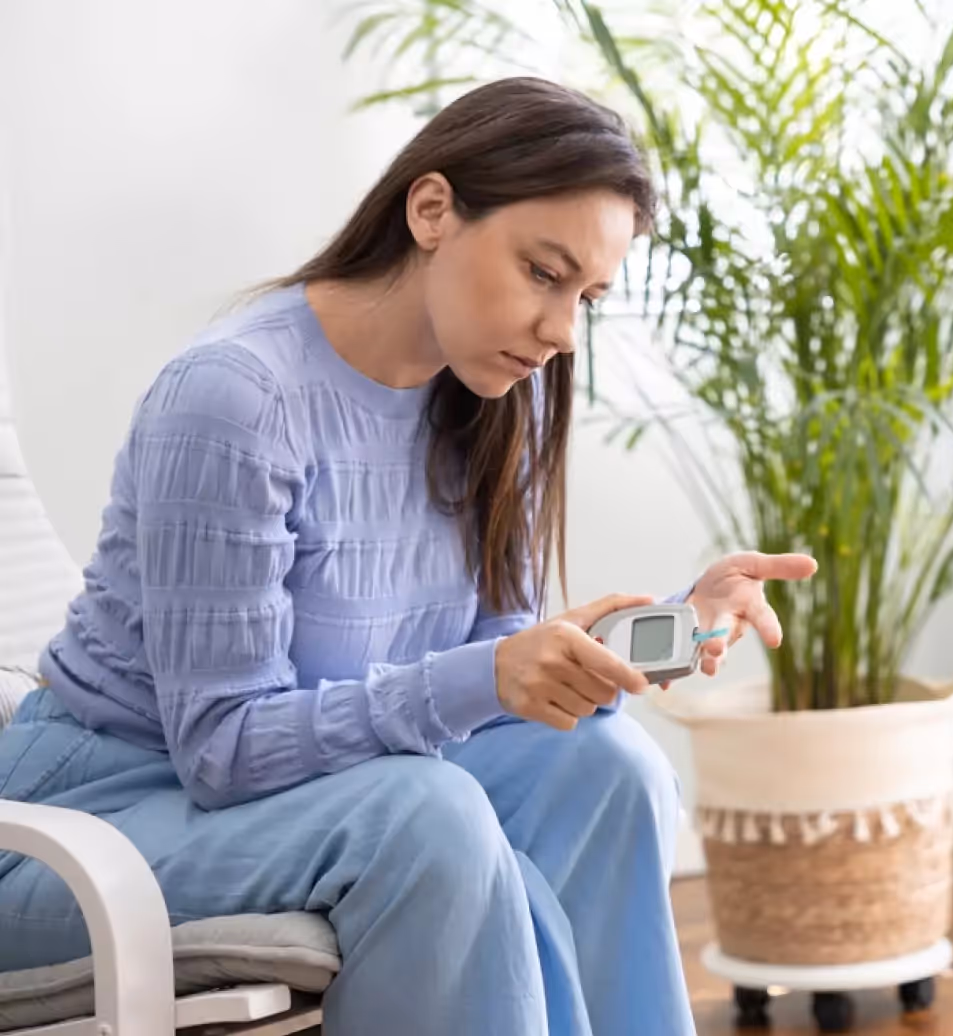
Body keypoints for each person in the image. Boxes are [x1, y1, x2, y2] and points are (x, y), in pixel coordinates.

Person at [0, 76, 817, 1035]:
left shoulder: (503, 394)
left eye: (587, 295)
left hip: (309, 795)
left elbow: (492, 654)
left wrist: (657, 625)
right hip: (94, 820)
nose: (562, 332)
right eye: (543, 274)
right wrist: (489, 674)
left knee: (609, 770)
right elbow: (220, 748)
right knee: (423, 815)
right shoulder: (237, 398)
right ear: (431, 210)